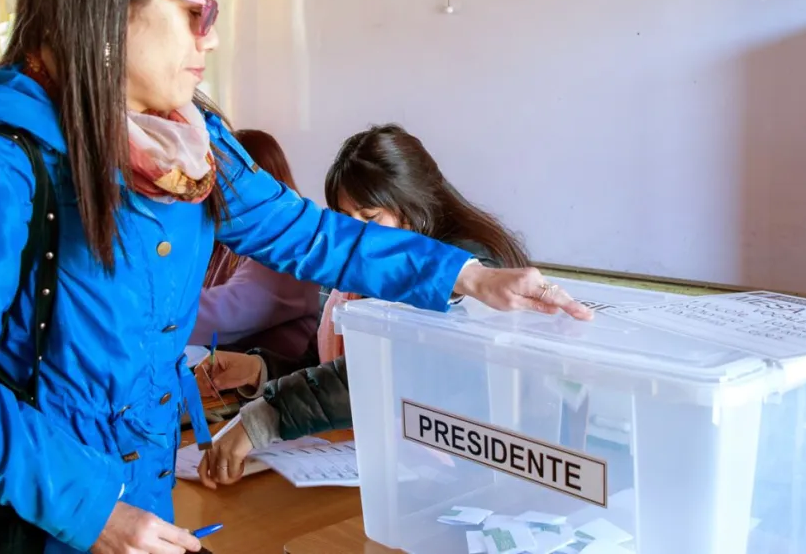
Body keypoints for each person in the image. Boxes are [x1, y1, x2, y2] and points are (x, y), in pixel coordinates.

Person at [0, 0, 590, 554]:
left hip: (142, 499)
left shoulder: (194, 146)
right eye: (195, 11)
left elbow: (313, 235)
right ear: (106, 6)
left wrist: (466, 274)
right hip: (30, 518)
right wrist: (94, 512)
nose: (213, 35)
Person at [197, 124, 552, 488]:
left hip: (464, 475)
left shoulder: (467, 278)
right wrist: (259, 368)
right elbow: (322, 367)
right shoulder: (352, 276)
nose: (356, 235)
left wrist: (263, 419)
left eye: (369, 218)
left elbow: (383, 375)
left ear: (414, 210)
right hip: (368, 462)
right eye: (342, 218)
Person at [192, 129, 321, 361]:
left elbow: (226, 314)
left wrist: (142, 312)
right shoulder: (226, 236)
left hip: (273, 384)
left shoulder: (289, 243)